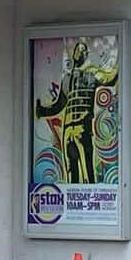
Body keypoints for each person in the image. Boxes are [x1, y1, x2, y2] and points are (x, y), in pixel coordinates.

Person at [35, 38, 117, 184]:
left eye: (83, 51)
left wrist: (118, 65)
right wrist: (42, 111)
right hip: (68, 129)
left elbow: (108, 80)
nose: (80, 53)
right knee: (70, 168)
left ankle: (90, 198)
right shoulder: (67, 79)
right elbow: (59, 104)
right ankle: (71, 200)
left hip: (82, 126)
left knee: (87, 167)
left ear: (85, 56)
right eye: (78, 50)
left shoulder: (91, 75)